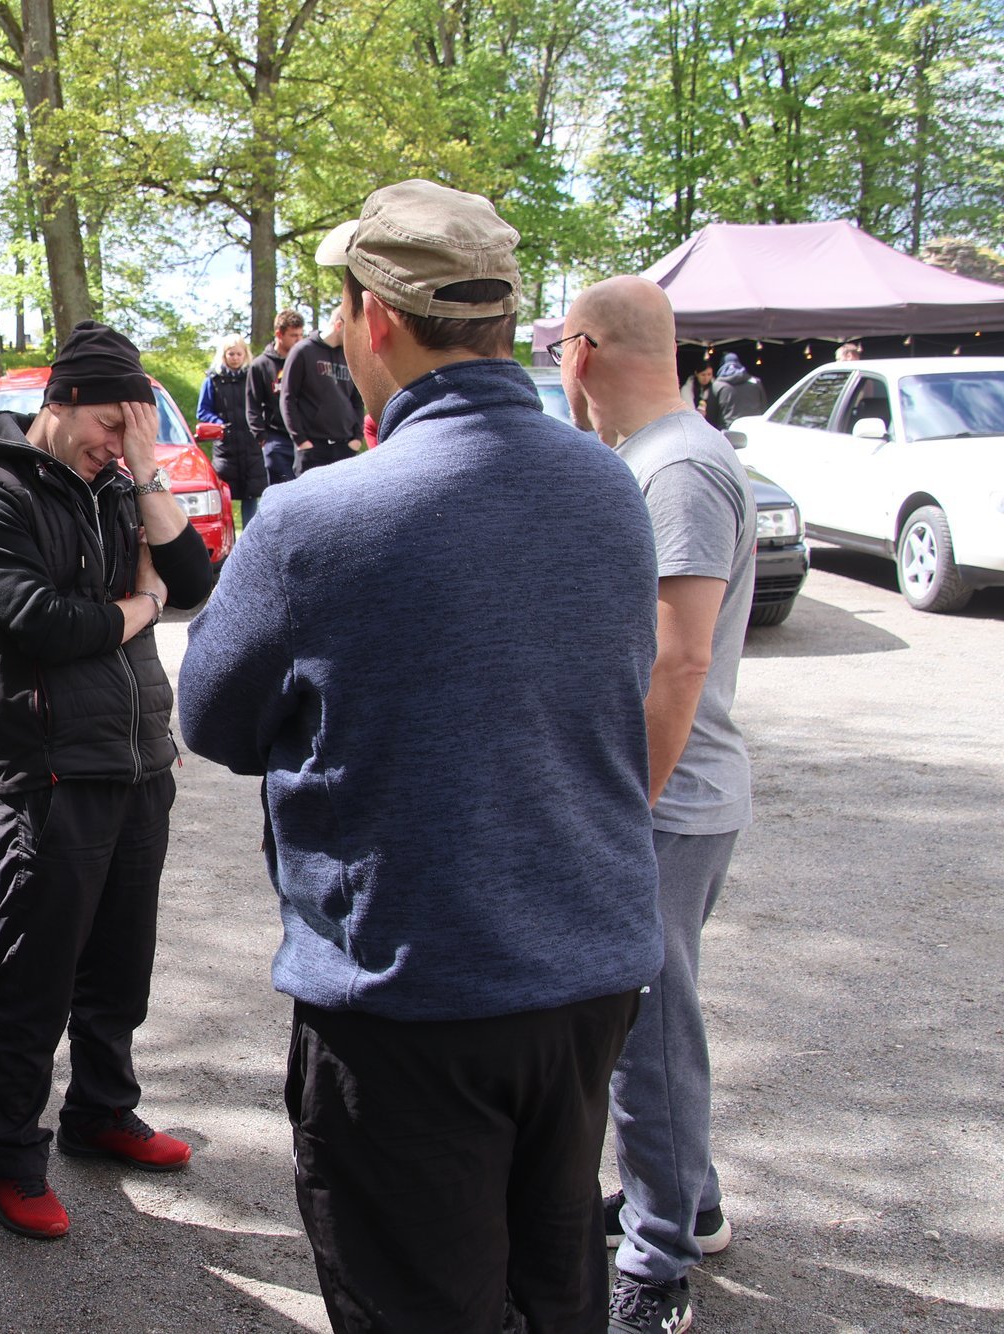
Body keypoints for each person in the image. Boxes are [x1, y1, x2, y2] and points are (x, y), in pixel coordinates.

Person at [178, 180, 664, 1332]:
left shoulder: (314, 518)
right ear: (501, 320)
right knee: (551, 1284)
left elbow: (211, 716)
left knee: (415, 1301)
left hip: (411, 998)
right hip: (585, 979)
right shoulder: (608, 486)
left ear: (370, 316)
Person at [0, 320, 215, 1240]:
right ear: (57, 404)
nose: (117, 443)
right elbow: (43, 625)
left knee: (120, 963)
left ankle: (101, 1112)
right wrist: (138, 608)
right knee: (36, 974)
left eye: (133, 428)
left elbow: (198, 581)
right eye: (109, 423)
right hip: (49, 772)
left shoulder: (115, 486)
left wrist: (145, 473)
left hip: (140, 756)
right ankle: (11, 1154)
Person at [559, 276, 757, 1334]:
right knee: (649, 1015)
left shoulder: (676, 466)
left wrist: (619, 802)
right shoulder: (655, 457)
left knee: (645, 1028)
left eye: (559, 350)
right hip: (669, 795)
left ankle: (658, 1252)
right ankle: (684, 1195)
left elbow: (677, 661)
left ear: (579, 352)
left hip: (665, 802)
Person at [279, 308, 365, 471]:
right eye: (352, 331)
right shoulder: (302, 351)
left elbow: (357, 400)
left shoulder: (350, 355)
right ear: (339, 325)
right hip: (313, 448)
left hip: (345, 447)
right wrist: (301, 440)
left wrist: (357, 438)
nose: (355, 337)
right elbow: (287, 398)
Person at [197, 333, 267, 525]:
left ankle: (250, 538)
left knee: (251, 496)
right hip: (226, 447)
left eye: (239, 354)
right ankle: (228, 540)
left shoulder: (253, 377)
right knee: (224, 494)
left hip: (251, 446)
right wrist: (219, 424)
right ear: (224, 355)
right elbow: (202, 411)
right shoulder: (212, 380)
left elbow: (263, 405)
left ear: (245, 354)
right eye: (231, 354)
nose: (235, 358)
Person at [247, 310, 306, 487]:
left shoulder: (304, 360)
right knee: (283, 492)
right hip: (277, 439)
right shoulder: (260, 366)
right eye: (293, 335)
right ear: (279, 334)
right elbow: (252, 405)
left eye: (301, 335)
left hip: (305, 438)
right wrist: (262, 438)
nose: (299, 340)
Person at [710, 351, 767, 422]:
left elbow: (711, 414)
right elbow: (764, 407)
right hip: (754, 428)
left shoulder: (717, 385)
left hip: (728, 430)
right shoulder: (755, 382)